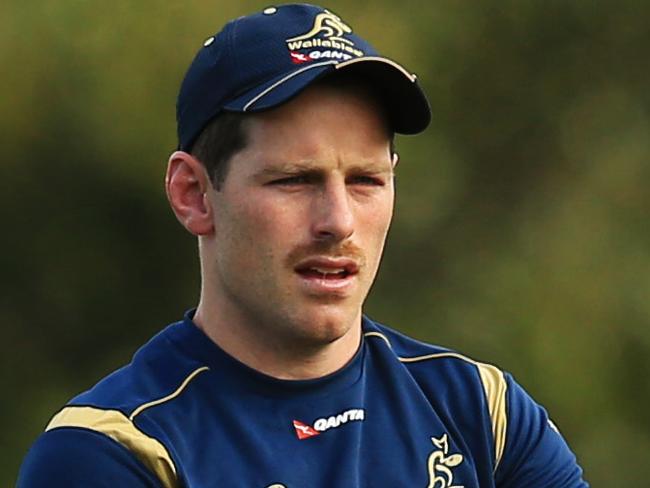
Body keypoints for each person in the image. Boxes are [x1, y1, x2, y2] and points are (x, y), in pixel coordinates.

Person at [18, 4, 588, 487]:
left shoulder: (483, 411)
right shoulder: (114, 451)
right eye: (294, 180)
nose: (338, 221)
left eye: (366, 181)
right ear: (193, 194)